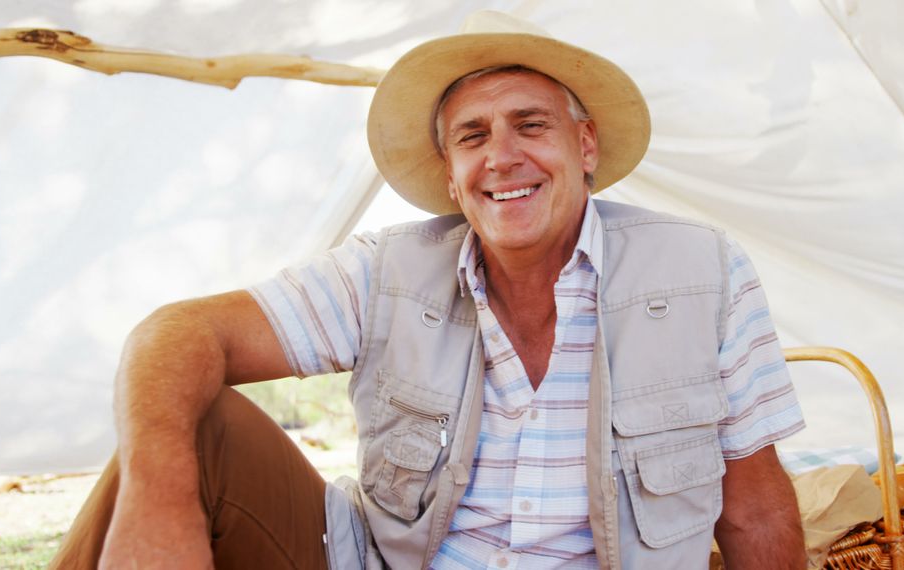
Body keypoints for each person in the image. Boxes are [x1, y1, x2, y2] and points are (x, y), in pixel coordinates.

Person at [51, 11, 806, 570]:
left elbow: (756, 506)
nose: (501, 157)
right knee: (194, 423)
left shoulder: (703, 270)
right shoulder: (387, 271)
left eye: (529, 125)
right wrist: (160, 507)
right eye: (472, 137)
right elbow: (178, 332)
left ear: (584, 146)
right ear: (451, 175)